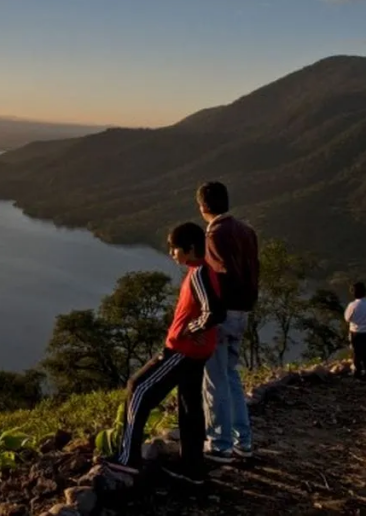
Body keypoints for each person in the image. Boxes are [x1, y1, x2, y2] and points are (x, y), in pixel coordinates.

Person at [103, 222, 224, 486]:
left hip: (183, 351)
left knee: (138, 388)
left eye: (174, 249)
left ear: (190, 249)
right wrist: (196, 327)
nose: (172, 254)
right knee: (190, 404)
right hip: (196, 352)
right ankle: (192, 467)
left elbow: (214, 311)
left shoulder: (200, 273)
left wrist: (191, 329)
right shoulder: (201, 271)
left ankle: (128, 459)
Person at [196, 181, 258, 464]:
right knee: (231, 376)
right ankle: (242, 441)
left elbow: (219, 276)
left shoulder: (215, 234)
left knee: (214, 381)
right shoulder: (247, 231)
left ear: (202, 207)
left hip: (222, 315)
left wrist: (207, 315)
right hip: (242, 312)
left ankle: (219, 445)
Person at [344, 282, 366, 380]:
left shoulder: (352, 305)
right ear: (365, 292)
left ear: (354, 293)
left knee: (357, 353)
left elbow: (347, 318)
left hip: (356, 332)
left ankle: (357, 371)